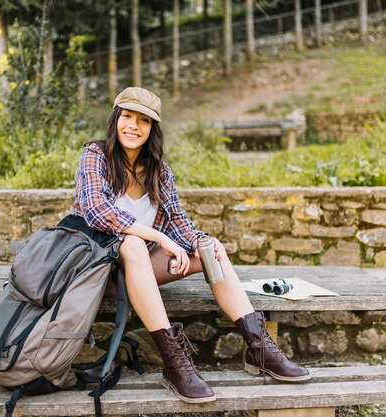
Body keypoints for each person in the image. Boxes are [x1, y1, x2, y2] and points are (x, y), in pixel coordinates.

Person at [73, 86, 309, 404]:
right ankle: (175, 364)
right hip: (97, 273)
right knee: (131, 244)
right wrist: (159, 238)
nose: (133, 126)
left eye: (143, 120)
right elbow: (96, 211)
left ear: (152, 128)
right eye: (127, 117)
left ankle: (259, 349)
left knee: (210, 248)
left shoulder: (159, 171)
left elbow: (180, 224)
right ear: (115, 119)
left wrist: (198, 242)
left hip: (140, 270)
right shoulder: (95, 155)